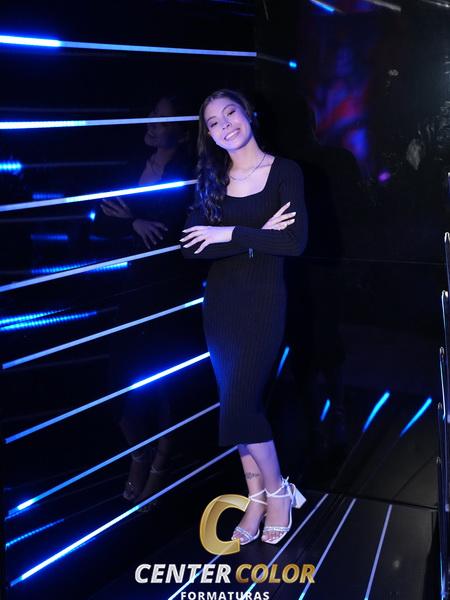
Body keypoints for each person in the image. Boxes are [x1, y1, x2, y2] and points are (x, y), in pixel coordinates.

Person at [180, 89, 308, 544]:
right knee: (234, 407)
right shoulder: (213, 178)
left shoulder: (284, 171)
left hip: (263, 301)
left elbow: (293, 243)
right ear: (209, 135)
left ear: (248, 114)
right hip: (220, 306)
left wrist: (229, 232)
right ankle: (256, 497)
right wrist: (255, 235)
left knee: (239, 406)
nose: (224, 126)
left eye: (230, 113)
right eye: (213, 123)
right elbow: (192, 247)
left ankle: (278, 491)